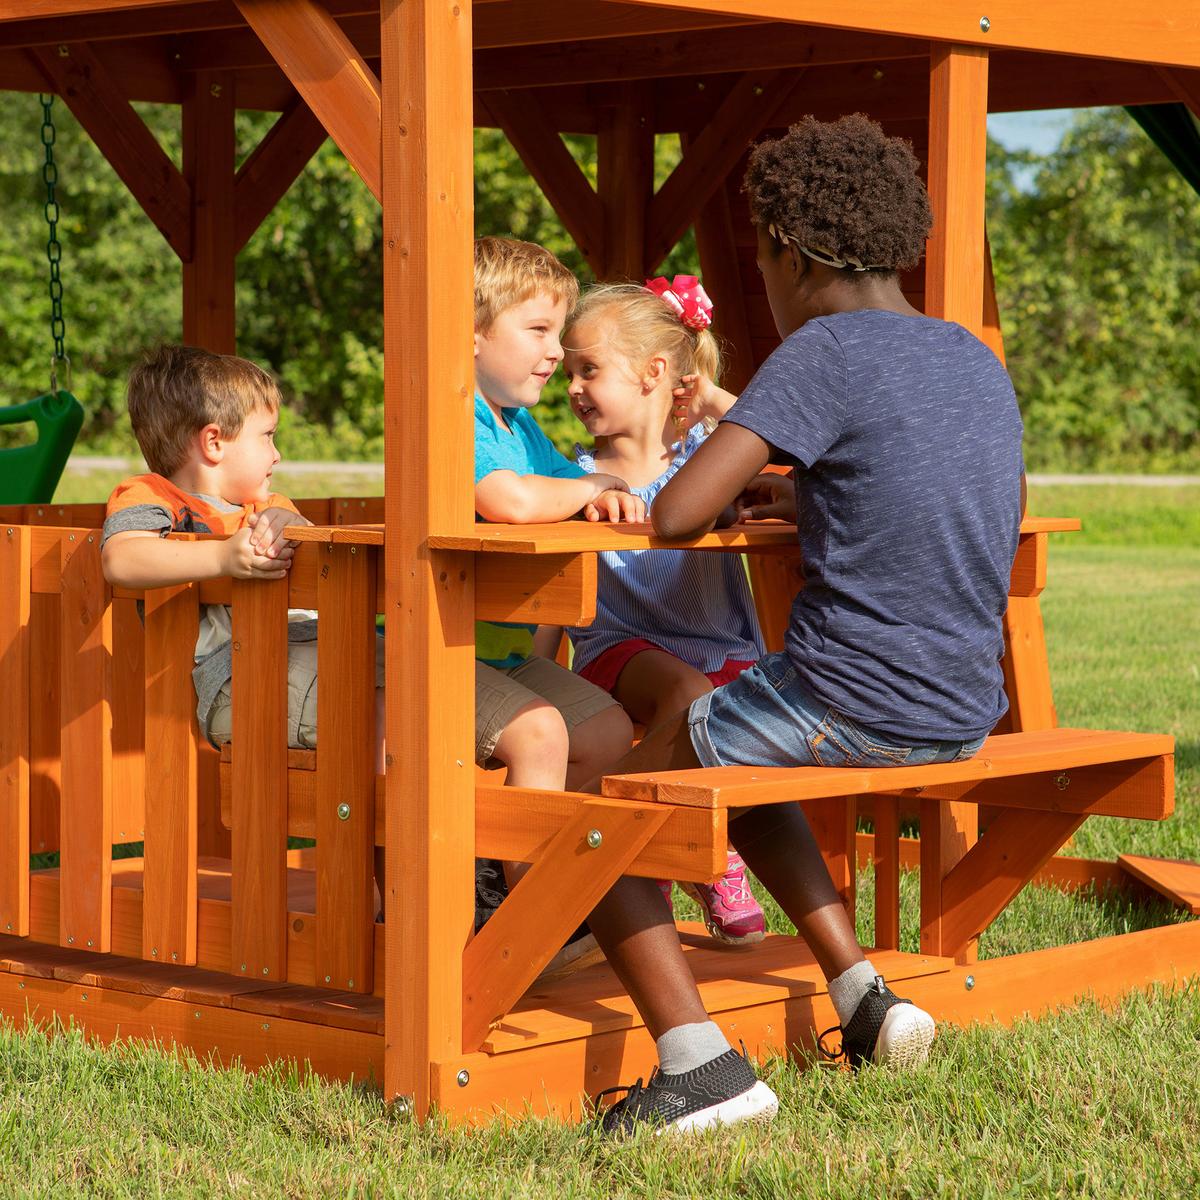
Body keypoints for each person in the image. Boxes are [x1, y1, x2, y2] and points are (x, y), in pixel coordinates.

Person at [585, 114, 1025, 1134]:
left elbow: (680, 512)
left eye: (760, 259)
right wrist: (816, 500)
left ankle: (700, 1074)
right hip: (964, 706)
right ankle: (863, 996)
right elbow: (950, 495)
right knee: (731, 754)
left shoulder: (821, 349)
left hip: (850, 703)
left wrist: (723, 441)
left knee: (592, 809)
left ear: (789, 249)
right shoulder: (966, 354)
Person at [101, 346, 391, 897]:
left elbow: (316, 557)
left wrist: (289, 520)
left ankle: (432, 870)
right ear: (214, 442)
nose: (277, 455)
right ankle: (379, 887)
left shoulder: (266, 503)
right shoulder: (151, 496)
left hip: (306, 654)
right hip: (235, 676)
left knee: (415, 686)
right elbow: (123, 558)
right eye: (268, 436)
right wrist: (222, 558)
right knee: (381, 707)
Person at [535, 278, 766, 945]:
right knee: (686, 695)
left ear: (654, 374)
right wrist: (536, 669)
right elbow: (553, 573)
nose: (573, 386)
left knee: (747, 711)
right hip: (618, 648)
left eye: (589, 369)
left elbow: (780, 434)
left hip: (720, 644)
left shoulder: (707, 459)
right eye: (569, 372)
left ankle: (659, 860)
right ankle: (690, 866)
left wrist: (714, 397)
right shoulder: (575, 476)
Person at [471, 236, 640, 970]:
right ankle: (518, 909)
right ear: (471, 333)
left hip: (499, 655)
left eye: (558, 334)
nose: (552, 353)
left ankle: (526, 869)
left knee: (606, 730)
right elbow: (507, 499)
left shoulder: (518, 424)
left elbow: (555, 487)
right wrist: (595, 490)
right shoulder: (458, 416)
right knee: (541, 734)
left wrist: (589, 498)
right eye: (536, 331)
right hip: (436, 653)